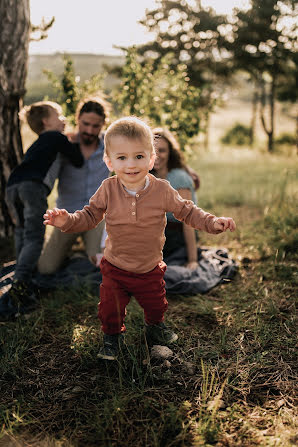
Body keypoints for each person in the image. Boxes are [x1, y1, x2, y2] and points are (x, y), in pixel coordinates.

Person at [43, 117, 236, 361]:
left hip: (149, 267)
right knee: (110, 309)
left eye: (139, 156)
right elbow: (90, 215)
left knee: (156, 304)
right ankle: (112, 339)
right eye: (122, 158)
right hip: (115, 267)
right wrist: (67, 221)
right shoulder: (108, 189)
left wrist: (212, 222)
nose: (131, 165)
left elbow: (187, 211)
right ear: (109, 161)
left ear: (152, 159)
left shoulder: (162, 190)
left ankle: (155, 327)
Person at [5, 101, 84, 311]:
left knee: (22, 232)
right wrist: (74, 141)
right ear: (46, 122)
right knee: (34, 236)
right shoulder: (55, 137)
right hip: (32, 188)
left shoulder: (38, 143)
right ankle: (21, 284)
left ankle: (22, 275)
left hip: (12, 187)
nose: (63, 119)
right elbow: (77, 160)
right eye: (58, 115)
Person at [38, 97, 110, 274]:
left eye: (95, 126)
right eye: (85, 124)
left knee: (101, 265)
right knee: (46, 269)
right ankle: (75, 252)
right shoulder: (64, 145)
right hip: (67, 215)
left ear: (103, 124)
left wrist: (183, 167)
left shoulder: (110, 145)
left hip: (96, 217)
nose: (89, 130)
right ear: (78, 119)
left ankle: (83, 251)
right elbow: (45, 175)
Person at [152, 128, 199, 269]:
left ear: (170, 153)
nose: (156, 155)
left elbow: (188, 222)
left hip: (177, 236)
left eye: (162, 150)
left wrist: (193, 260)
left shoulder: (179, 178)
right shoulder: (146, 176)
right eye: (153, 150)